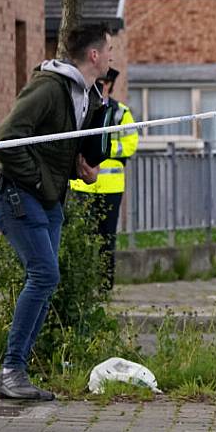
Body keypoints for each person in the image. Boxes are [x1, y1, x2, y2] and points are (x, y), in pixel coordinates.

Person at [0, 23, 113, 400]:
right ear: (93, 55)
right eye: (109, 50)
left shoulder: (86, 95)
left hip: (48, 197)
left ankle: (15, 371)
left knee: (47, 278)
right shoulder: (48, 87)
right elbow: (7, 139)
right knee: (44, 274)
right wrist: (42, 181)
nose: (111, 57)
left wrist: (79, 165)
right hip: (13, 191)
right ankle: (11, 370)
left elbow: (56, 145)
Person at [69, 67, 138, 290]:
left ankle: (104, 286)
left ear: (109, 85)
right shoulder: (82, 107)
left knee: (106, 237)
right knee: (81, 237)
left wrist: (103, 149)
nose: (101, 86)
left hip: (110, 187)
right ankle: (82, 285)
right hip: (82, 185)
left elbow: (130, 144)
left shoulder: (121, 113)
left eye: (104, 83)